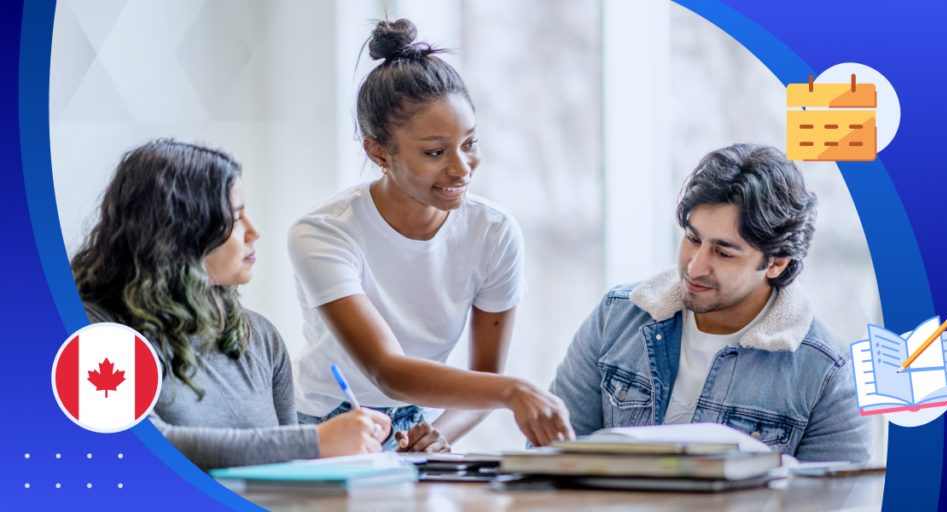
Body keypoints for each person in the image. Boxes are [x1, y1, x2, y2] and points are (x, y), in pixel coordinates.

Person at [288, 19, 573, 451]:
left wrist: (440, 435)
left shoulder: (492, 233)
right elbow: (387, 371)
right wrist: (515, 391)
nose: (461, 168)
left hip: (414, 426)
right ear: (378, 151)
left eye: (470, 143)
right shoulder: (323, 234)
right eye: (435, 152)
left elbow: (484, 378)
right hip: (324, 430)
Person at [71, 140, 391, 470]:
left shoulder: (261, 337)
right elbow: (142, 444)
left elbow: (287, 464)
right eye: (236, 219)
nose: (253, 232)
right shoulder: (92, 327)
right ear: (180, 229)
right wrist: (317, 441)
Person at [550, 144, 871, 462]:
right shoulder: (616, 317)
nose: (695, 266)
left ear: (777, 262)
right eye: (692, 239)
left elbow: (836, 504)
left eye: (723, 253)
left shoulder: (828, 374)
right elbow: (551, 457)